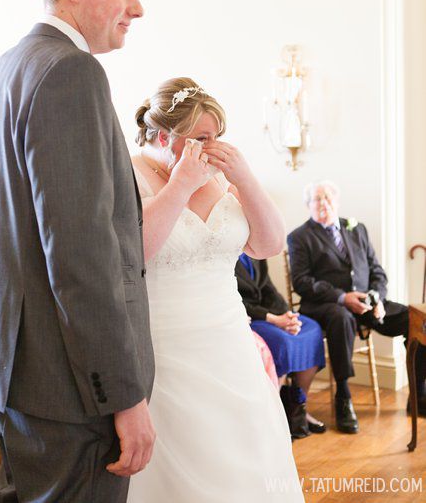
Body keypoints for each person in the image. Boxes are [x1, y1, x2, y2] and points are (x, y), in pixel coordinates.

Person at [0, 0, 155, 503]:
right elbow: (81, 253)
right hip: (71, 390)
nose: (137, 8)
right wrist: (122, 394)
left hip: (16, 372)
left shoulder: (3, 71)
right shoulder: (72, 72)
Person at [128, 78, 302, 502]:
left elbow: (268, 244)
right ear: (166, 136)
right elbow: (137, 254)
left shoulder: (221, 178)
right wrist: (180, 186)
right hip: (166, 347)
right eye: (201, 138)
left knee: (248, 458)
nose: (213, 146)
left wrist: (244, 177)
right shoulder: (129, 173)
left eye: (217, 136)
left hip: (229, 341)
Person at [287, 181, 426, 433]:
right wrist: (342, 297)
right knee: (342, 318)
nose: (323, 203)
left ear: (336, 202)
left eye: (328, 197)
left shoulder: (357, 228)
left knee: (416, 320)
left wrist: (377, 298)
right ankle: (343, 395)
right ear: (308, 205)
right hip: (326, 306)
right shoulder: (299, 237)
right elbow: (302, 282)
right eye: (316, 199)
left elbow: (377, 271)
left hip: (367, 304)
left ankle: (419, 395)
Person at [235, 254, 327, 436]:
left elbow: (268, 288)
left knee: (311, 329)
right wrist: (275, 320)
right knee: (283, 342)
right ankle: (276, 416)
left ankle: (299, 408)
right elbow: (236, 300)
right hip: (250, 317)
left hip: (273, 314)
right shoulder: (225, 252)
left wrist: (288, 316)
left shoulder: (254, 250)